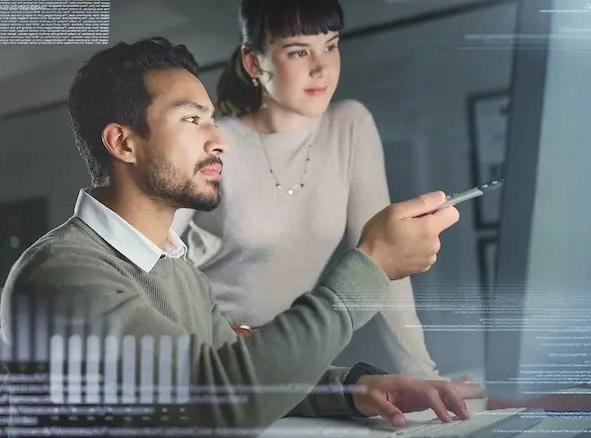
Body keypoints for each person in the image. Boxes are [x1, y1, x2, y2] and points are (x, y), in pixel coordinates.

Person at [0, 36, 469, 437]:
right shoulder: (63, 274)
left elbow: (240, 364)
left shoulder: (176, 267)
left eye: (211, 118)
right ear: (123, 143)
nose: (218, 139)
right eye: (190, 119)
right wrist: (371, 264)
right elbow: (220, 396)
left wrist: (356, 389)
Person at [171, 0, 477, 391]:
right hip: (208, 357)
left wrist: (423, 374)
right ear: (253, 62)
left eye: (330, 46)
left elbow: (384, 259)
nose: (322, 67)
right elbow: (149, 253)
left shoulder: (349, 125)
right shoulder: (214, 141)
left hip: (291, 357)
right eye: (299, 51)